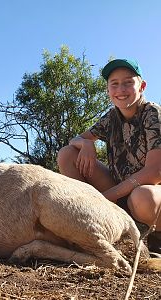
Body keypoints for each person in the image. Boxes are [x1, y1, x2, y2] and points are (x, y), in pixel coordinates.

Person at [57, 58, 161, 257]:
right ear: (108, 90)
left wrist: (102, 199)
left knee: (143, 197)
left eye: (128, 82)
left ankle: (156, 237)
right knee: (67, 154)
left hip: (150, 196)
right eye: (114, 84)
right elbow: (74, 140)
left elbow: (155, 172)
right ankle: (83, 224)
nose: (121, 89)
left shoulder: (153, 114)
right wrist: (86, 143)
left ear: (142, 86)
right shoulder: (111, 117)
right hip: (122, 193)